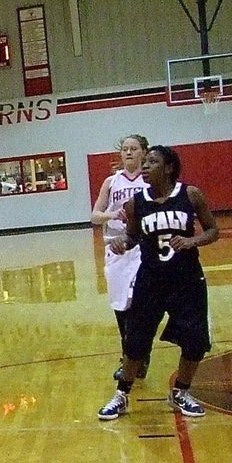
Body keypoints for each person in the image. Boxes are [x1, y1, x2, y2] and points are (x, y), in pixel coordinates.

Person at [98, 145, 219, 421]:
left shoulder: (190, 195)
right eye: (145, 162)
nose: (145, 166)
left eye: (152, 161)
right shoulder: (135, 204)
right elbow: (132, 238)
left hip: (187, 279)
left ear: (169, 168)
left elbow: (213, 230)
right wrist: (121, 243)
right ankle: (121, 395)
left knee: (195, 340)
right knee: (136, 340)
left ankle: (180, 392)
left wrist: (192, 240)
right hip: (151, 279)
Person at [91, 134, 151, 381]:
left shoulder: (150, 181)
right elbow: (95, 216)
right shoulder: (111, 181)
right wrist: (112, 215)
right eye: (125, 149)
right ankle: (128, 354)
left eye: (133, 149)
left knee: (140, 303)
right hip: (115, 249)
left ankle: (139, 356)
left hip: (143, 247)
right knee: (121, 306)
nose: (128, 152)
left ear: (143, 153)